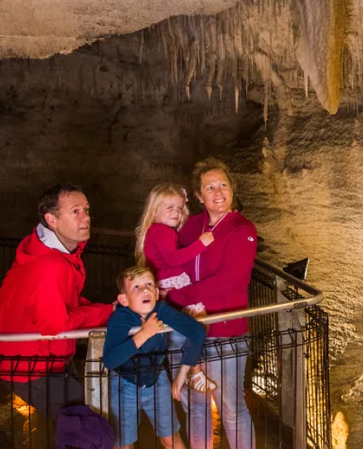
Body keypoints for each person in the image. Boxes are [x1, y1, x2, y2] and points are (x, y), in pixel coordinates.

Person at [0, 185, 115, 421]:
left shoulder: (53, 254)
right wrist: (107, 311)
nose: (86, 217)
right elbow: (57, 324)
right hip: (34, 368)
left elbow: (65, 302)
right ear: (52, 219)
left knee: (81, 429)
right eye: (75, 211)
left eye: (86, 209)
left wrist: (108, 312)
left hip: (36, 361)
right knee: (91, 428)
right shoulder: (51, 265)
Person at [172, 158, 258, 449]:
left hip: (225, 331)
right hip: (188, 332)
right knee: (195, 408)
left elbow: (230, 280)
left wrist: (180, 296)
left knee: (232, 409)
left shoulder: (241, 228)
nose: (218, 192)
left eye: (223, 185)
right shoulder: (191, 226)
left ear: (232, 189)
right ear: (199, 196)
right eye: (210, 187)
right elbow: (173, 262)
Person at [102, 266, 207, 449]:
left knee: (170, 439)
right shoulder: (119, 318)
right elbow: (110, 360)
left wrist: (182, 374)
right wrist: (144, 334)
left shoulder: (160, 310)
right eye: (136, 287)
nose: (144, 289)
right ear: (123, 299)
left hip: (157, 381)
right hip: (124, 385)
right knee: (124, 444)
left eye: (149, 284)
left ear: (157, 292)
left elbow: (196, 331)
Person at [134, 183, 218, 392]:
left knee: (192, 325)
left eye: (179, 208)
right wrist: (201, 243)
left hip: (166, 281)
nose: (176, 212)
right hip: (174, 281)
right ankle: (194, 371)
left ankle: (190, 372)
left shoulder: (156, 230)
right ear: (155, 210)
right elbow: (173, 259)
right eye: (169, 207)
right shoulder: (162, 231)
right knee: (199, 322)